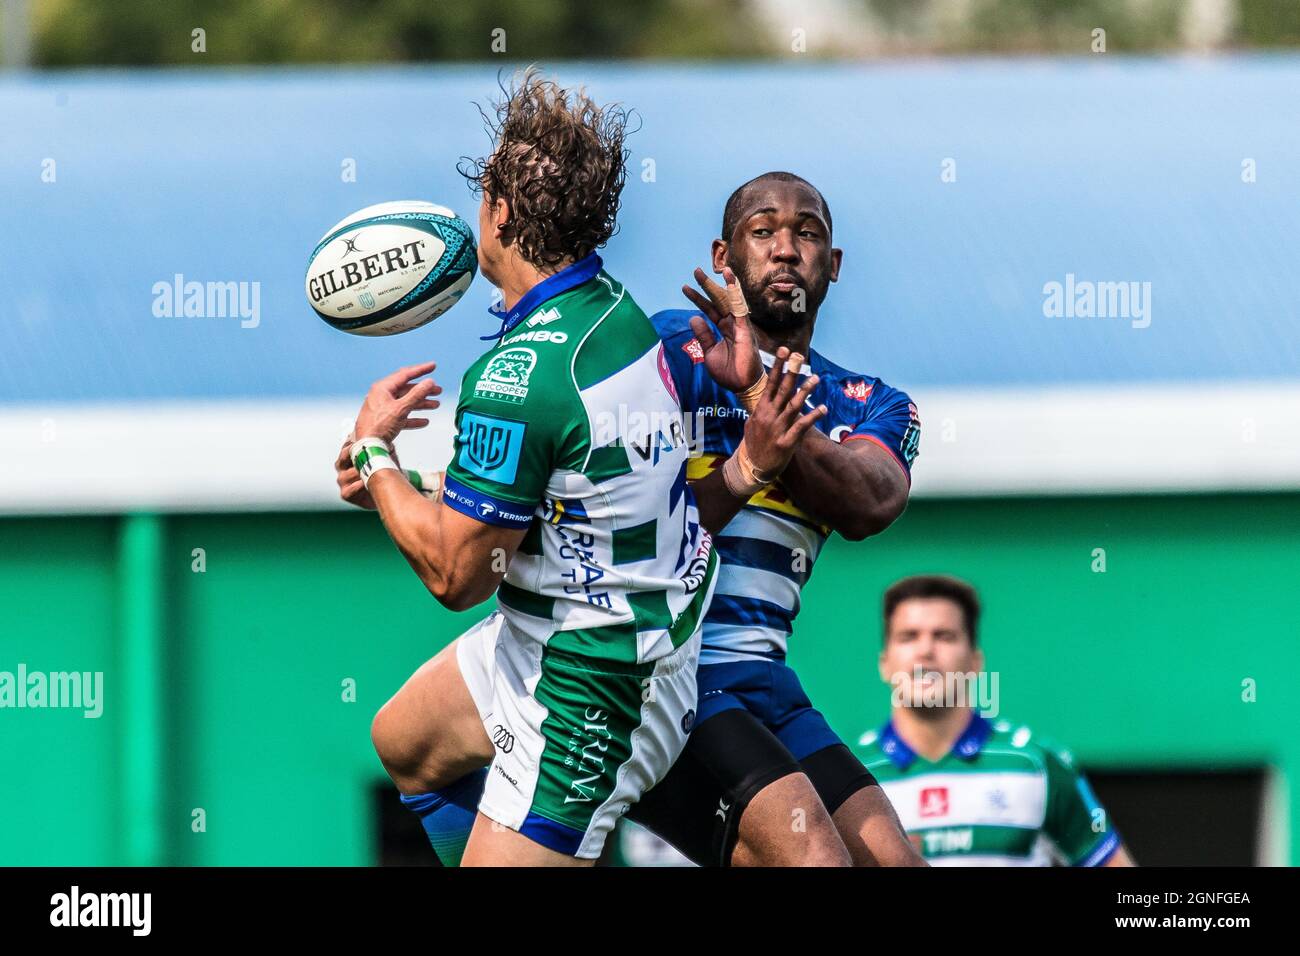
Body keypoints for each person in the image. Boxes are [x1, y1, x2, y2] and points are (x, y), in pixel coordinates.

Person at [337, 74, 823, 866]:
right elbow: (571, 496)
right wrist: (410, 487)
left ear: (499, 214)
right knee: (404, 741)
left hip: (587, 685)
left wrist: (374, 454)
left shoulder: (521, 376)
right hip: (600, 631)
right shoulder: (618, 318)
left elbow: (457, 576)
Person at [625, 172, 925, 866]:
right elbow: (603, 508)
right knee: (816, 860)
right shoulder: (666, 352)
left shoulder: (871, 402)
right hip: (674, 673)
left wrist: (760, 384)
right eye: (763, 231)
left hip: (764, 680)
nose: (786, 248)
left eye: (808, 233)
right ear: (724, 256)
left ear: (834, 265)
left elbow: (869, 503)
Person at [855, 574, 1135, 866]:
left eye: (944, 636)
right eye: (908, 636)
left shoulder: (1036, 763)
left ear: (975, 662)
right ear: (884, 663)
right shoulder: (849, 772)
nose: (925, 651)